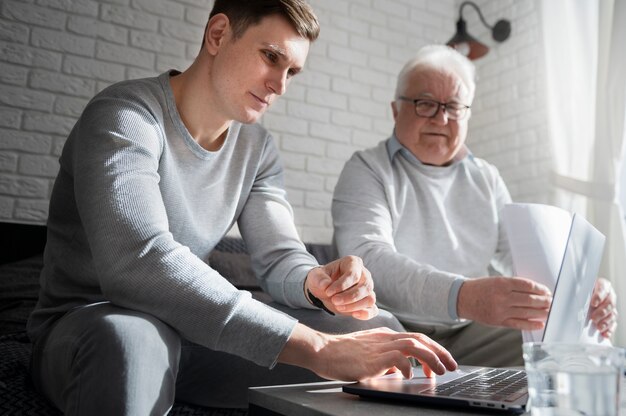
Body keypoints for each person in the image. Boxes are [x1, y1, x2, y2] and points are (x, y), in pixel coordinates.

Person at [26, 3, 459, 415]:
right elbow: (139, 263)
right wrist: (315, 347)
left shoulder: (258, 150)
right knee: (130, 339)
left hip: (189, 330)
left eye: (292, 71)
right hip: (94, 325)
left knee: (381, 333)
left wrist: (316, 282)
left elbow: (280, 257)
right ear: (218, 34)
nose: (280, 85)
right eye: (271, 57)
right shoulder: (124, 115)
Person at [332, 44, 618, 367]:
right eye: (425, 104)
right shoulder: (366, 169)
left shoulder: (487, 178)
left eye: (454, 107)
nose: (441, 118)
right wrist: (465, 297)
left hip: (469, 331)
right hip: (391, 327)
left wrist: (580, 293)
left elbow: (521, 258)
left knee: (568, 340)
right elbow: (370, 260)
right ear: (396, 110)